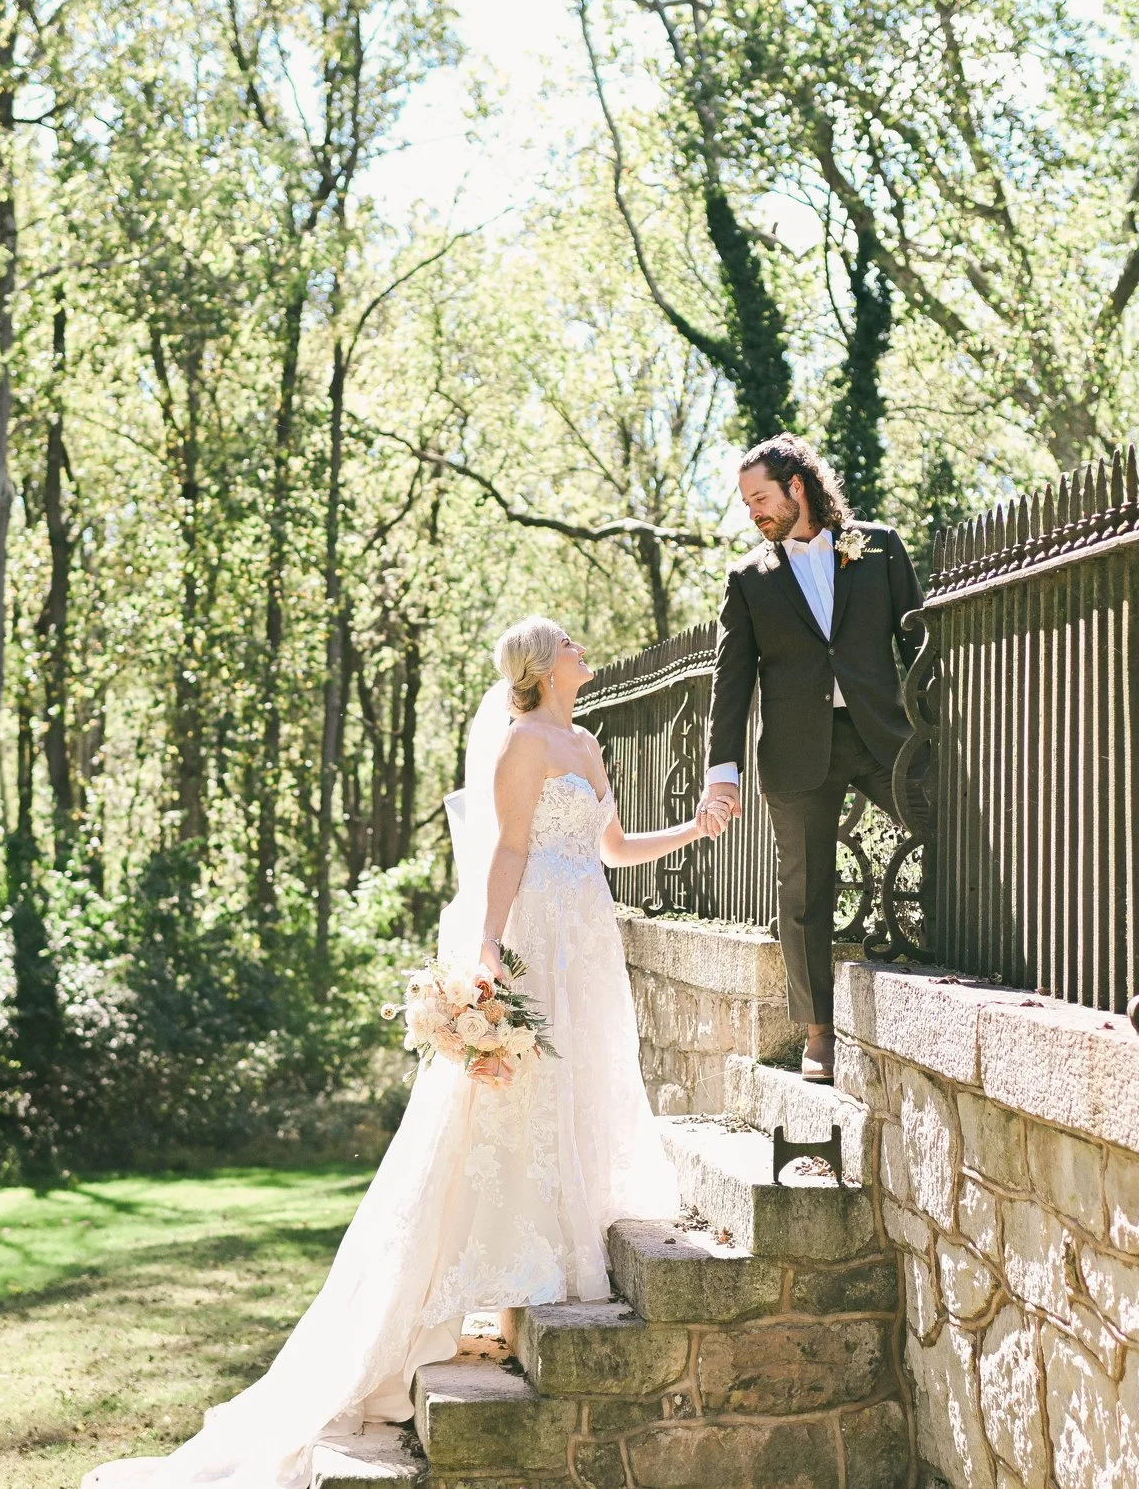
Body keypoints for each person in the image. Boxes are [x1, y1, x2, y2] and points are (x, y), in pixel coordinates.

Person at [84, 617, 722, 1489]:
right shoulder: (522, 742)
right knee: (516, 1104)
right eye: (568, 641)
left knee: (587, 1085)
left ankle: (562, 1258)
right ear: (542, 666)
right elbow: (506, 850)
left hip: (591, 935)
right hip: (537, 925)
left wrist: (692, 830)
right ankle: (503, 1285)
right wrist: (489, 952)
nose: (582, 646)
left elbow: (610, 849)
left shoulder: (585, 741)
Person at [695, 434, 923, 1084]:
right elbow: (730, 682)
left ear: (797, 487)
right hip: (796, 753)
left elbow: (919, 639)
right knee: (803, 893)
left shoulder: (878, 547)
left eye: (761, 498)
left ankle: (962, 958)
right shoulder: (748, 580)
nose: (754, 513)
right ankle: (817, 1032)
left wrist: (936, 725)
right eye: (746, 504)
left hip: (882, 737)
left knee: (944, 827)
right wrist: (722, 775)